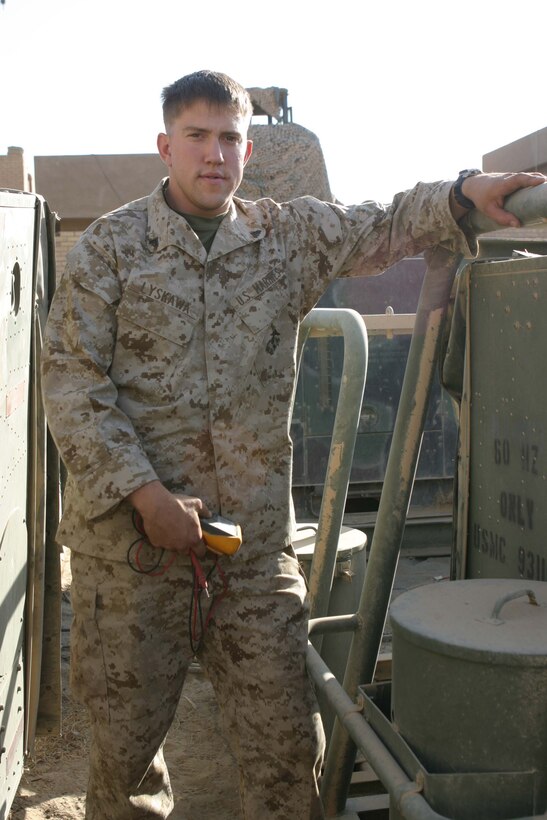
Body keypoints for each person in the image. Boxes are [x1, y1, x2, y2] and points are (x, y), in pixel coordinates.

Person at [40, 69, 545, 820]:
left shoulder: (284, 236)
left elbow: (384, 222)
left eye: (230, 139)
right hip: (131, 562)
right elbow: (72, 383)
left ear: (246, 150)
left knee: (284, 757)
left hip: (246, 554)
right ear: (164, 146)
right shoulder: (111, 249)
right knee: (125, 766)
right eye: (197, 137)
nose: (215, 155)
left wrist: (465, 191)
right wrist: (145, 496)